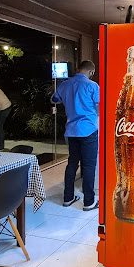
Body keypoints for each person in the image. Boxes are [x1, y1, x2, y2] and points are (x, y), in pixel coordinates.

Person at [51, 60, 99, 211]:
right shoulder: (92, 85)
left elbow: (54, 99)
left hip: (71, 131)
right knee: (89, 166)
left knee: (72, 163)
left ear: (78, 69)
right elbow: (100, 104)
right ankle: (89, 202)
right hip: (88, 130)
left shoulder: (65, 85)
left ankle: (68, 198)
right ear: (91, 72)